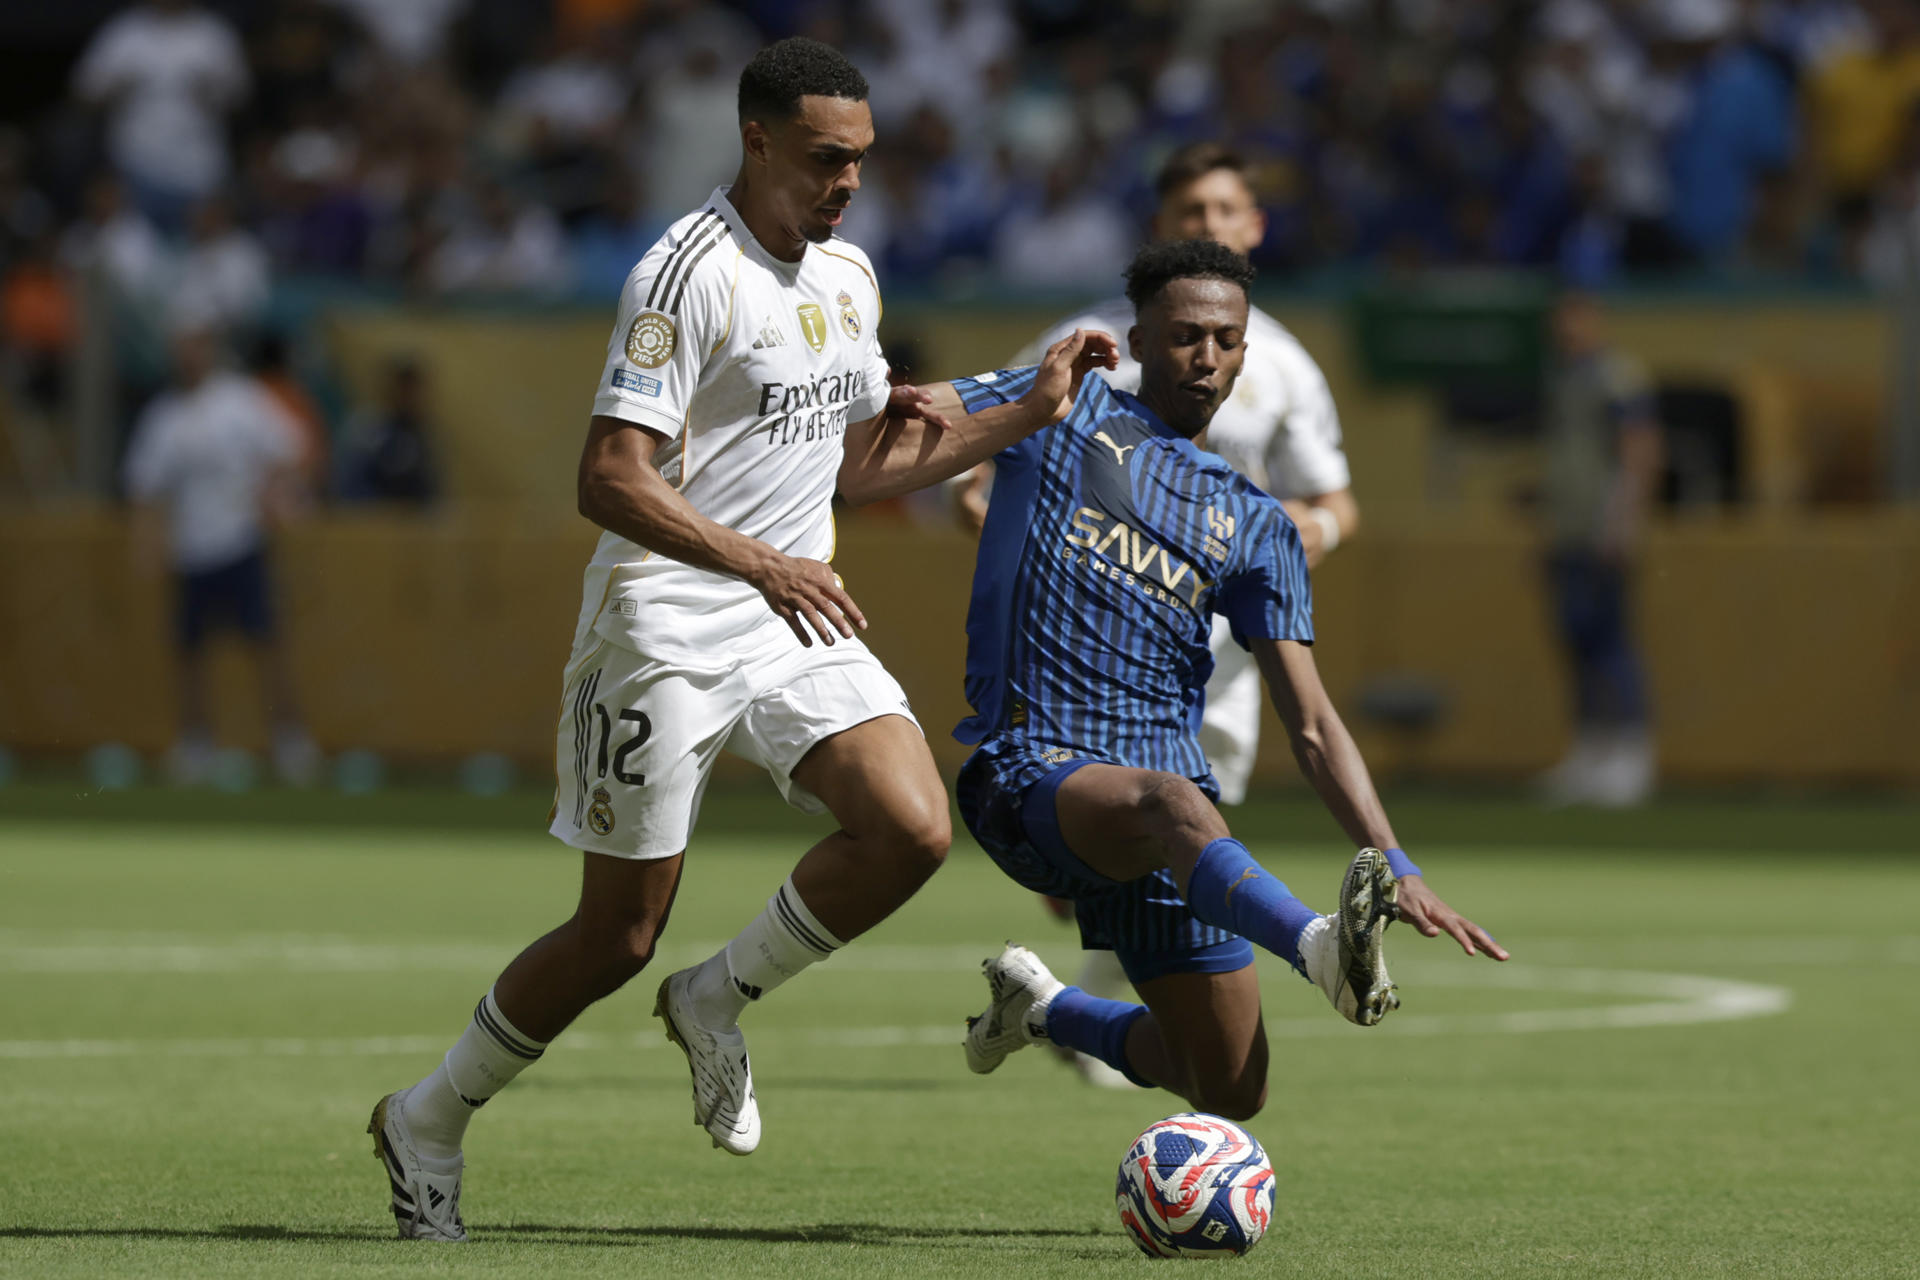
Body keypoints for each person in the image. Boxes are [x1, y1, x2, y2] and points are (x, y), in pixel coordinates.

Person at [366, 37, 1120, 1243]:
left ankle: (713, 998)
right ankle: (427, 1118)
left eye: (860, 159)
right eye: (825, 158)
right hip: (662, 622)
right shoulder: (685, 275)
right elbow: (609, 476)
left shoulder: (850, 274)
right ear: (757, 142)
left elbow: (860, 456)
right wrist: (763, 560)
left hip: (790, 615)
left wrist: (1027, 405)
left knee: (913, 825)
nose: (846, 182)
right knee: (616, 933)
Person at [943, 239, 1505, 1118]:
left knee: (1231, 1088)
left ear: (1245, 353)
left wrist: (1396, 863)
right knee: (1174, 801)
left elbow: (1312, 723)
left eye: (1225, 340)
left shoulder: (1258, 526)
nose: (1206, 357)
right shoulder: (1064, 408)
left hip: (1165, 816)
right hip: (1033, 775)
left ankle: (1044, 1009)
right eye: (1184, 336)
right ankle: (1319, 947)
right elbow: (912, 427)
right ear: (1138, 342)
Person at [967, 143, 1364, 1079]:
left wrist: (1299, 534)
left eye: (1225, 210)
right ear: (1161, 229)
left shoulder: (1285, 365)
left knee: (1182, 859)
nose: (1209, 226)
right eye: (1192, 212)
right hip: (1084, 659)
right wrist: (1003, 516)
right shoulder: (1089, 345)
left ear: (1253, 226)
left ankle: (1067, 1011)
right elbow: (992, 448)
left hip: (1221, 656)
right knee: (1164, 830)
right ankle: (1305, 948)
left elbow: (1336, 501)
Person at [122, 323, 320, 787]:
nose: (188, 356)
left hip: (240, 542)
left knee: (266, 645)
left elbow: (292, 449)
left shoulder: (240, 402)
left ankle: (289, 741)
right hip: (191, 550)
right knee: (189, 652)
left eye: (195, 346)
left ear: (209, 350)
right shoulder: (165, 417)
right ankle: (196, 743)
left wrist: (273, 494)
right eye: (181, 348)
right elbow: (145, 486)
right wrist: (147, 542)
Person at [1535, 293, 1662, 807]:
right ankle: (1589, 750)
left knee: (1612, 639)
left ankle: (1632, 752)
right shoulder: (1563, 378)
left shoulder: (1617, 377)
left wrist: (1622, 522)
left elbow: (1640, 448)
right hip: (1567, 528)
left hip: (1601, 530)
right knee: (1576, 641)